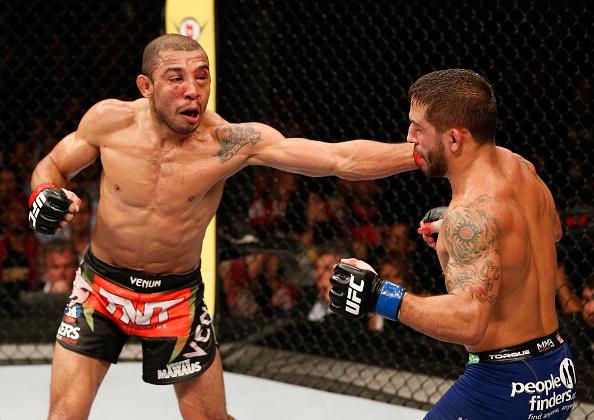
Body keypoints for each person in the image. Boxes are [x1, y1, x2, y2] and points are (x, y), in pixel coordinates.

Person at [28, 33, 417, 419]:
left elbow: (339, 159)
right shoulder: (108, 121)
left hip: (175, 300)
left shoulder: (229, 142)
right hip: (100, 291)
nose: (192, 90)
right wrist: (44, 192)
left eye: (202, 76)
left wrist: (420, 154)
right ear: (146, 86)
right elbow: (54, 164)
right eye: (176, 78)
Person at [329, 69, 577, 419]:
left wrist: (378, 295)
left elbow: (468, 322)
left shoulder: (471, 214)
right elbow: (550, 230)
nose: (410, 138)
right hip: (557, 373)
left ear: (455, 139)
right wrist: (477, 236)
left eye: (419, 128)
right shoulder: (521, 169)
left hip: (505, 386)